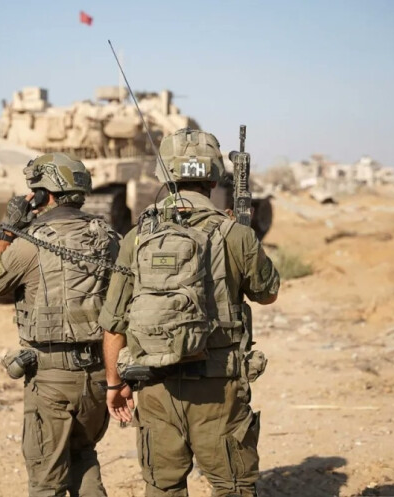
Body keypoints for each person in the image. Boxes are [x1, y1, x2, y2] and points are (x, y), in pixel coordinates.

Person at [99, 128, 280, 497]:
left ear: (164, 176)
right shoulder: (234, 233)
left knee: (162, 486)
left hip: (155, 385)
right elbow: (267, 293)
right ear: (213, 179)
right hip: (219, 388)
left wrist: (115, 384)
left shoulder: (137, 237)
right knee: (232, 486)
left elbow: (114, 324)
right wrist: (243, 233)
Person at [0, 152, 120, 497]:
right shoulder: (109, 238)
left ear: (44, 194)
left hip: (52, 380)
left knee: (46, 482)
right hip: (98, 376)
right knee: (84, 457)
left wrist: (8, 230)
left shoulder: (31, 244)